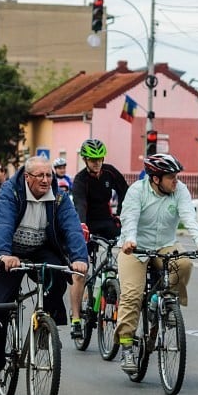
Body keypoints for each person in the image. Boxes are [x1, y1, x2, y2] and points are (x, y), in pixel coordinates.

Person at [0, 155, 88, 391]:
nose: (45, 179)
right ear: (27, 177)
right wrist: (3, 254)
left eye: (49, 175)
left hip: (41, 249)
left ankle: (45, 327)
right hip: (10, 252)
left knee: (59, 275)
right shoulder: (12, 192)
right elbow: (2, 224)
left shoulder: (58, 196)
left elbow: (71, 226)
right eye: (40, 175)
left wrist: (79, 258)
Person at [116, 154, 198, 373]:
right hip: (135, 247)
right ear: (156, 179)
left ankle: (166, 302)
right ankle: (126, 347)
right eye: (171, 177)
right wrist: (130, 239)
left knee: (185, 263)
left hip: (165, 244)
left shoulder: (179, 191)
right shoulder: (137, 191)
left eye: (176, 176)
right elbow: (129, 218)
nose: (176, 181)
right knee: (131, 294)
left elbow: (190, 217)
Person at [68, 139, 129, 339]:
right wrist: (82, 226)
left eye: (99, 159)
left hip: (106, 221)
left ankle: (112, 288)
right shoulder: (80, 180)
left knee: (124, 251)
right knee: (80, 271)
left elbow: (125, 193)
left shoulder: (110, 172)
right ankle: (76, 319)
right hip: (86, 223)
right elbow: (80, 204)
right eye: (92, 160)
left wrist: (122, 214)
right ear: (85, 160)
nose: (97, 163)